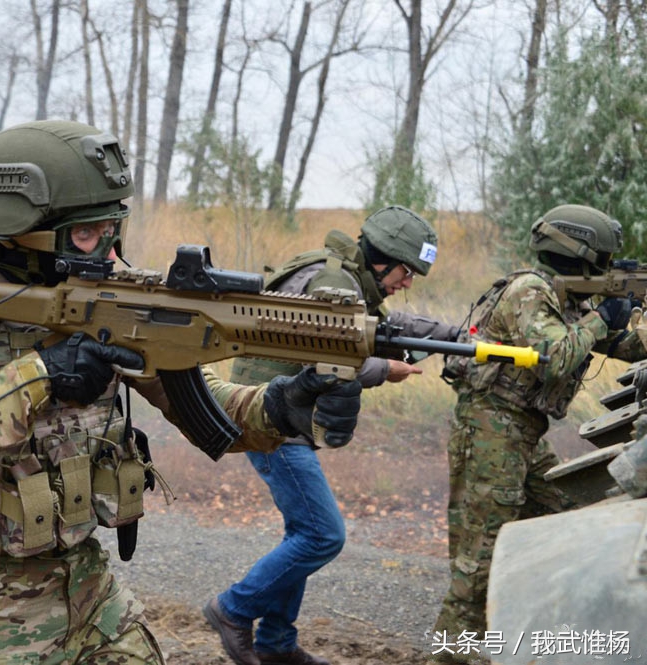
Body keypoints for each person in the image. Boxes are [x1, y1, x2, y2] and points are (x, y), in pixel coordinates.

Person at [0, 119, 363, 664]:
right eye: (86, 234)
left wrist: (278, 406)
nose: (108, 249)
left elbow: (202, 403)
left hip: (87, 586)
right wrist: (38, 376)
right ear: (17, 225)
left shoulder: (102, 293)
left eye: (111, 227)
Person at [205, 206, 461, 665]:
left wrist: (456, 335)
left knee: (302, 532)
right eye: (406, 272)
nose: (407, 282)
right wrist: (387, 370)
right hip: (269, 419)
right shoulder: (334, 283)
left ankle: (277, 644)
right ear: (382, 259)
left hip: (281, 414)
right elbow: (325, 361)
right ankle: (233, 609)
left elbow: (385, 329)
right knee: (323, 535)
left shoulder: (342, 277)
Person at [429, 204, 645, 664]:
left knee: (564, 519)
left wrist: (629, 316)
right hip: (490, 429)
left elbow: (623, 347)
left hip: (521, 434)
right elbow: (555, 356)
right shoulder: (531, 291)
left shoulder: (569, 301)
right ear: (582, 251)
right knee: (478, 567)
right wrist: (604, 316)